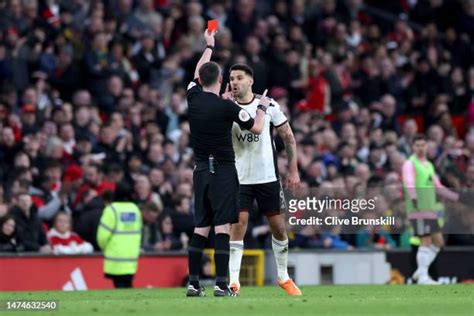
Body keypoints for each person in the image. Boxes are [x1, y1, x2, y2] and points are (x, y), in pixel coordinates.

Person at [185, 29, 267, 297]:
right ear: (221, 80)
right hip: (222, 169)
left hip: (200, 170)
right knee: (222, 226)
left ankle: (193, 283)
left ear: (200, 80)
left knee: (200, 226)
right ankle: (221, 283)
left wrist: (209, 46)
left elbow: (199, 71)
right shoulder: (227, 107)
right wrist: (263, 107)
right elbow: (255, 128)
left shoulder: (193, 98)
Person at [223, 64, 302, 295]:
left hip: (267, 176)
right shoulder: (226, 107)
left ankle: (283, 276)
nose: (234, 82)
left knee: (278, 228)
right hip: (238, 177)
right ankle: (234, 282)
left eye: (239, 78)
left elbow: (288, 137)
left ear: (250, 81)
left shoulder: (268, 106)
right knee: (238, 227)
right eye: (231, 78)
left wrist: (293, 170)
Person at [402, 134, 460, 284]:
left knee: (439, 242)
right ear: (412, 147)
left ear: (427, 146)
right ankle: (423, 277)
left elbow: (438, 187)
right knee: (426, 240)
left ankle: (421, 271)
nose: (420, 148)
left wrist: (457, 197)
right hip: (418, 209)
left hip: (430, 210)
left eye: (423, 145)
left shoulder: (428, 165)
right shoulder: (410, 164)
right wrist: (414, 198)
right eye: (417, 145)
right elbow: (409, 182)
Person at [97, 187, 142, 289]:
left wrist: (105, 248)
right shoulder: (135, 209)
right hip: (131, 258)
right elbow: (139, 233)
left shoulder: (111, 209)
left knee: (119, 288)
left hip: (115, 259)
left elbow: (102, 237)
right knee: (128, 286)